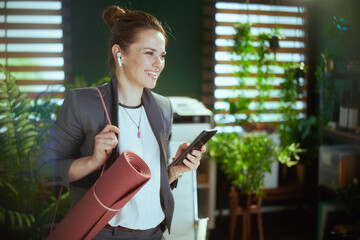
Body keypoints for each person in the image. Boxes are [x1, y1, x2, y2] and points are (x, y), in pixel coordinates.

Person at [39, 5, 206, 240]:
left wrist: (175, 170)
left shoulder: (163, 108)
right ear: (120, 54)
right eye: (149, 53)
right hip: (104, 234)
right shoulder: (83, 103)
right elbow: (45, 173)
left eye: (162, 54)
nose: (159, 63)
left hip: (153, 233)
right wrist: (93, 161)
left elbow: (148, 183)